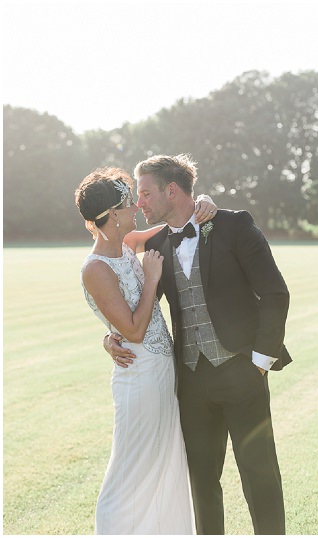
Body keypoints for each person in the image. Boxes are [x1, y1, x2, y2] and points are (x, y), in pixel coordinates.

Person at [104, 154, 290, 534]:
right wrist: (110, 337)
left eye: (145, 193)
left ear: (171, 190)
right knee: (202, 484)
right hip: (190, 383)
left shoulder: (234, 225)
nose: (140, 203)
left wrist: (260, 360)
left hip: (243, 372)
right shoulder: (154, 243)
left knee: (260, 475)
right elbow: (136, 307)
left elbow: (275, 293)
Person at [76, 167, 217, 533]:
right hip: (138, 378)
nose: (136, 207)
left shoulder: (125, 244)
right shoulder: (95, 268)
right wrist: (151, 278)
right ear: (109, 216)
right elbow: (134, 331)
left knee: (163, 464)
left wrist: (203, 202)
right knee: (129, 469)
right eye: (127, 204)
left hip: (163, 371)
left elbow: (175, 222)